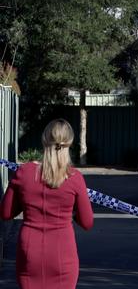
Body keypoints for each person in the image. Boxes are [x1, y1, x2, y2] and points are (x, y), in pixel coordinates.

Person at [1, 119, 94, 289]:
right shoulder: (74, 178)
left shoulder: (24, 173)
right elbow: (87, 222)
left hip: (30, 253)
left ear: (44, 140)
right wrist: (71, 211)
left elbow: (6, 213)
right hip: (63, 255)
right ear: (70, 143)